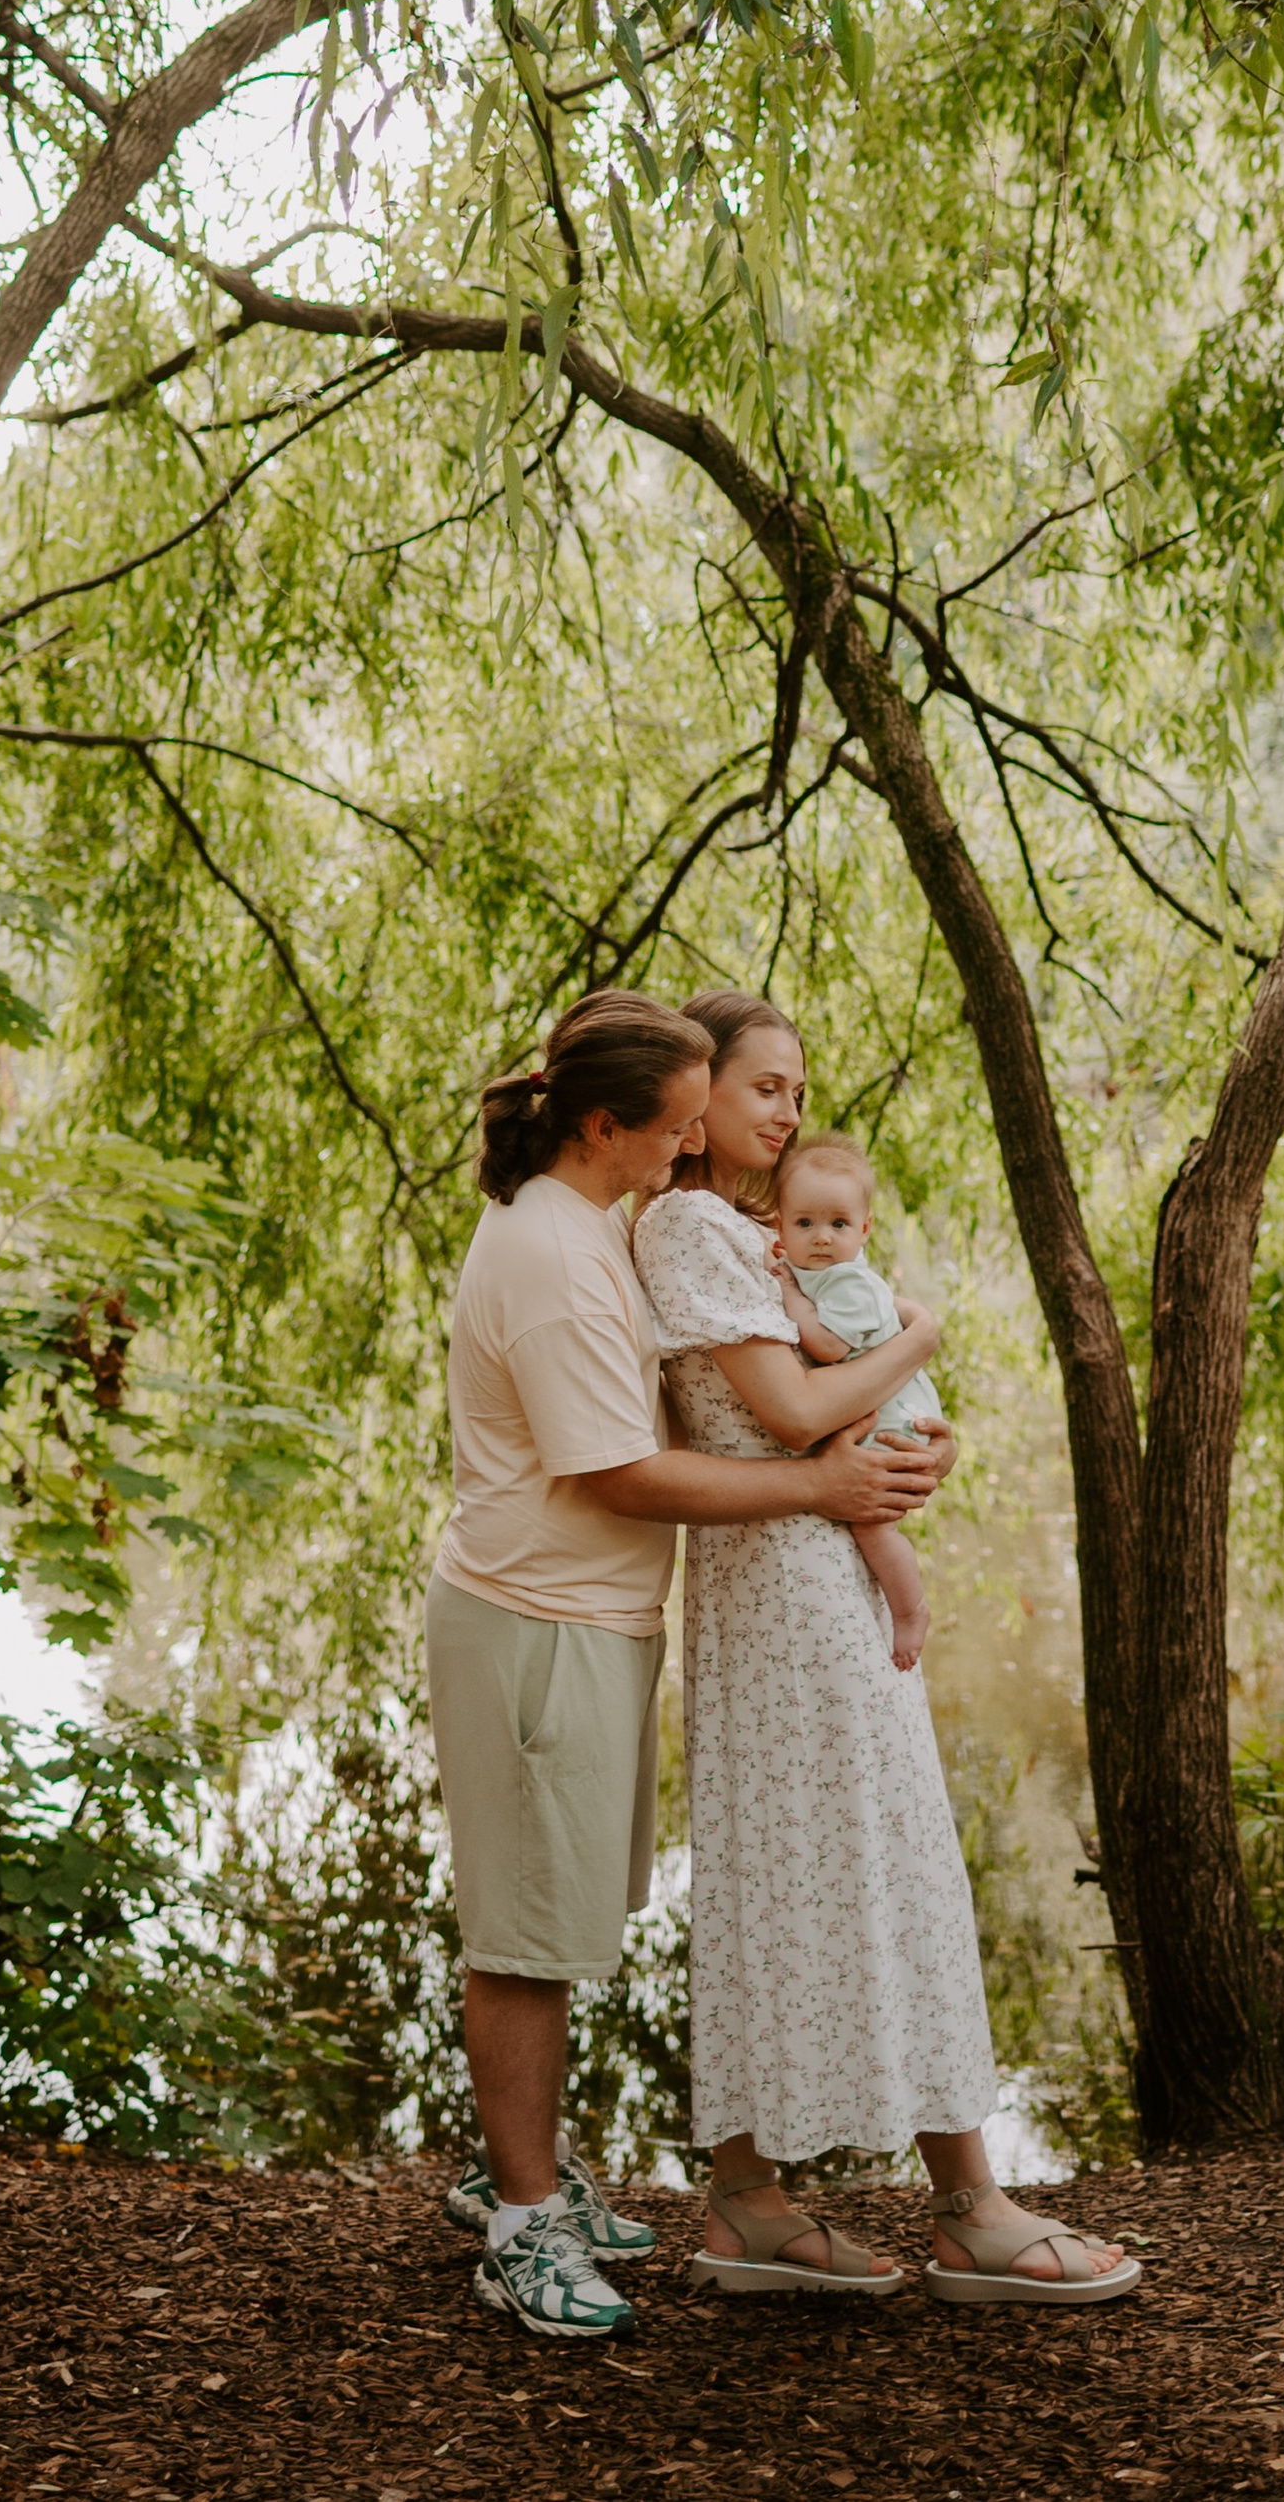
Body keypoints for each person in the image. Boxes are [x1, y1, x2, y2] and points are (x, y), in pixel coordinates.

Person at [424, 985, 945, 2342]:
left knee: (559, 1915)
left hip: (583, 1619)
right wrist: (823, 1491)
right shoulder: (548, 1257)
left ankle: (527, 2178)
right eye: (672, 1124)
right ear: (607, 1125)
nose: (691, 1142)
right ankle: (523, 2224)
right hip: (539, 1616)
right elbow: (623, 1473)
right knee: (526, 1938)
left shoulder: (582, 1223)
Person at [633, 986, 1142, 2308]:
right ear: (695, 1104)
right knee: (864, 1855)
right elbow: (793, 1403)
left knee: (827, 1865)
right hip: (787, 1585)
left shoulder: (760, 1235)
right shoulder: (691, 1226)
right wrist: (917, 1341)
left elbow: (831, 1400)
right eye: (763, 1088)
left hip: (810, 1574)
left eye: (799, 1089)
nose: (789, 1109)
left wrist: (922, 1433)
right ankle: (958, 2206)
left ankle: (762, 2197)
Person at [770, 1129, 949, 1670]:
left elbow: (826, 1346)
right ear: (780, 1224)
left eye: (839, 1225)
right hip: (875, 1409)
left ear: (864, 1229)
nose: (822, 1237)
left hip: (892, 1418)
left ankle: (911, 1608)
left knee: (873, 1525)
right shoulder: (812, 1270)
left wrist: (789, 1297)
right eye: (805, 1224)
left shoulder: (848, 1282)